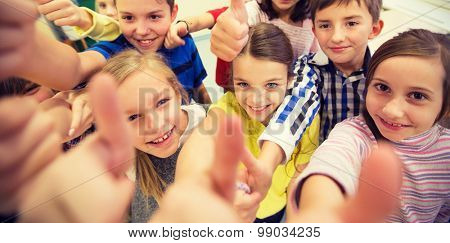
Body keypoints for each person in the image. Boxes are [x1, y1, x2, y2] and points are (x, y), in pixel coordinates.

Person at [289, 29, 450, 223]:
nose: (392, 110)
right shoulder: (354, 134)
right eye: (382, 88)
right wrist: (319, 214)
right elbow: (330, 167)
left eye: (417, 96)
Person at [176, 23, 320, 222]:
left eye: (271, 85)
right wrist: (188, 192)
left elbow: (298, 177)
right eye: (243, 84)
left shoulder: (307, 119)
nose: (256, 100)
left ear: (289, 80)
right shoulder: (228, 109)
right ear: (233, 80)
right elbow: (199, 148)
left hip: (276, 211)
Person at [101, 50, 207, 222]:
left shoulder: (215, 121)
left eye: (162, 102)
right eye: (134, 117)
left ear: (177, 91)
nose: (156, 125)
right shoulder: (126, 163)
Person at [166, 0, 318, 88]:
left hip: (288, 95)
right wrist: (184, 24)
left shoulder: (312, 20)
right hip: (242, 91)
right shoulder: (252, 11)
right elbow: (215, 17)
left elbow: (310, 62)